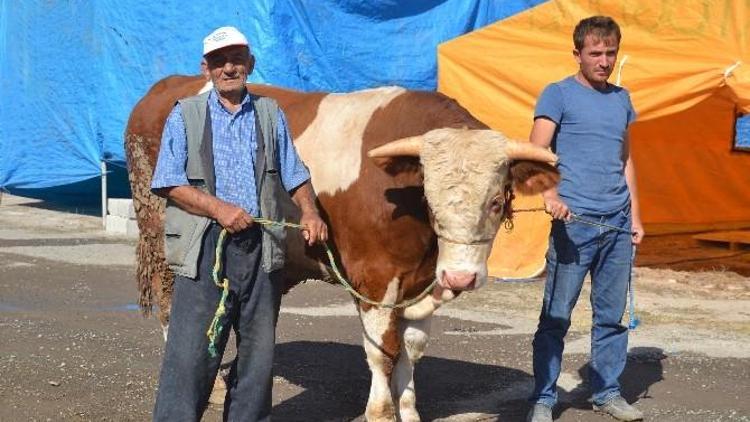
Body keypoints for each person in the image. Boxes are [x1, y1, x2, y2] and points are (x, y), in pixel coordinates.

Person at [150, 26, 327, 421]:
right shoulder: (186, 114)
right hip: (205, 248)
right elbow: (168, 182)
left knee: (258, 358)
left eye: (236, 59)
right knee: (192, 356)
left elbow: (294, 173)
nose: (229, 68)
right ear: (206, 68)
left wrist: (311, 212)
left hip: (261, 248)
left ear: (250, 63)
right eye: (219, 61)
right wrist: (219, 209)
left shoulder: (270, 112)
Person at [526, 16, 645, 422]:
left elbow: (624, 160)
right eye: (596, 53)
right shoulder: (557, 94)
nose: (604, 60)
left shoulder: (622, 98)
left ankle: (607, 392)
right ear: (577, 53)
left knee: (611, 317)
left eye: (611, 52)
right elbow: (535, 152)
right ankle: (543, 397)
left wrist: (636, 218)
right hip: (574, 224)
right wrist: (548, 193)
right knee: (556, 317)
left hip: (616, 223)